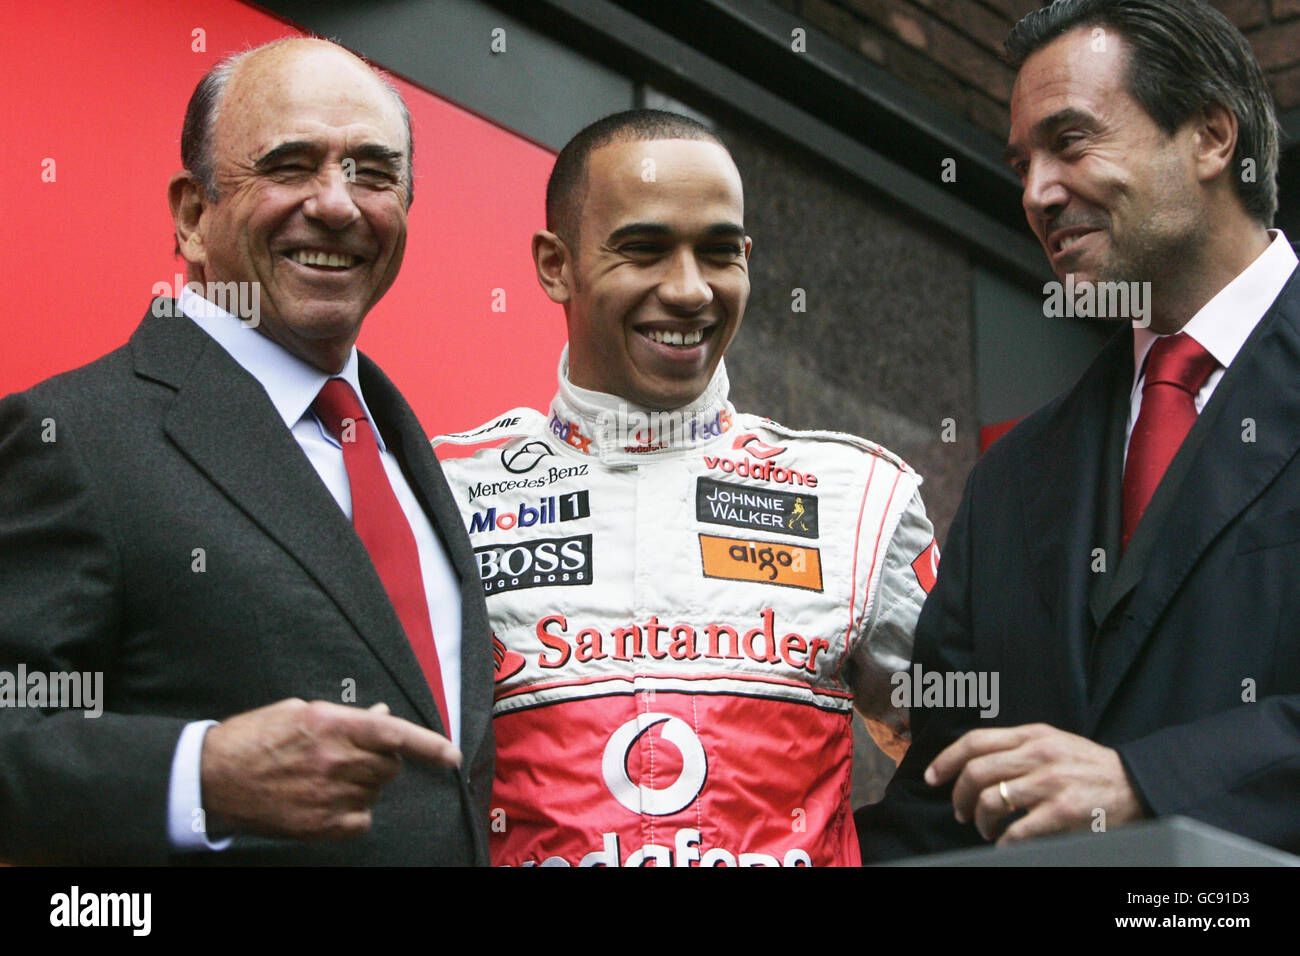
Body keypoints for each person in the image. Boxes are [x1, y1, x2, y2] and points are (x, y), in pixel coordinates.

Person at [0, 38, 494, 864]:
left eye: (374, 173)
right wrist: (202, 775)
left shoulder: (408, 454)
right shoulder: (75, 438)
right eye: (291, 165)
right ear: (193, 215)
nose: (338, 205)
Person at [858, 0, 1300, 860]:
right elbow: (939, 801)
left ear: (1212, 137)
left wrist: (1145, 782)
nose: (1036, 194)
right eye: (1022, 161)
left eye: (1071, 143)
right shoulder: (1016, 477)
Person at [435, 110, 937, 867]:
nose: (689, 289)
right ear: (554, 265)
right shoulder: (445, 491)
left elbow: (968, 757)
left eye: (718, 252)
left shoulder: (859, 497)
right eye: (643, 251)